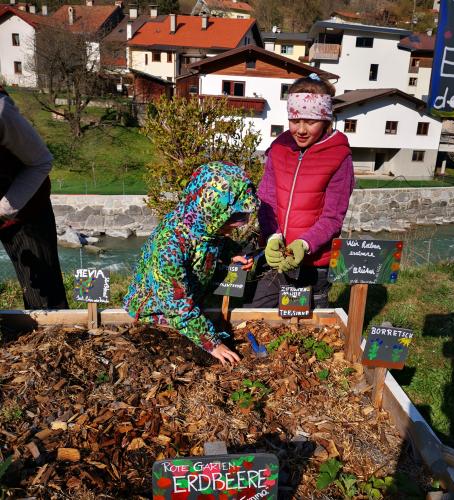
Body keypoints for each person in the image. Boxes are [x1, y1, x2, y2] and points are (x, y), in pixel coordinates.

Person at [123, 162, 259, 366]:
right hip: (156, 314)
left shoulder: (202, 225)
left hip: (191, 301)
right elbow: (175, 305)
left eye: (242, 217)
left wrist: (233, 253)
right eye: (235, 217)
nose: (239, 224)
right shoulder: (169, 244)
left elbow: (213, 242)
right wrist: (212, 343)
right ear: (210, 210)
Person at [245, 73, 354, 308]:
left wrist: (304, 244)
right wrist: (272, 236)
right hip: (275, 258)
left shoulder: (339, 156)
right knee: (256, 314)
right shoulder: (279, 148)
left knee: (308, 327)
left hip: (315, 263)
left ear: (326, 121)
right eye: (295, 120)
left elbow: (333, 217)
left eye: (310, 121)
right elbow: (267, 200)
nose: (301, 130)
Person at [0, 86, 68, 309]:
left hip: (26, 207)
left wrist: (2, 210)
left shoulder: (1, 112)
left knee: (44, 299)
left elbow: (41, 162)